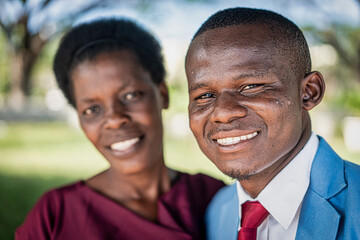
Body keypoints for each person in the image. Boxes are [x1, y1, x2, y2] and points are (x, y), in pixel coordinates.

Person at [15, 18, 224, 240]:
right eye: (92, 109)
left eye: (130, 95)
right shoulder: (55, 216)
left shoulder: (212, 197)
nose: (115, 119)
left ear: (162, 93)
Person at [185, 7, 360, 240]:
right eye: (204, 96)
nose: (223, 113)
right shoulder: (218, 211)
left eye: (250, 86)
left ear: (308, 92)